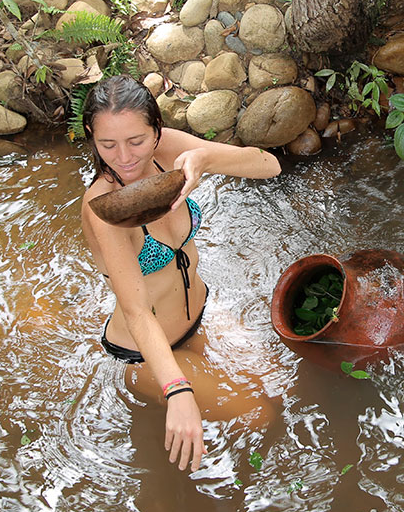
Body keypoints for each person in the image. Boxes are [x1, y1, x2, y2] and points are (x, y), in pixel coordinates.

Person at [79, 75, 281, 473]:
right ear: (91, 135)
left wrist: (205, 158)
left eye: (136, 141)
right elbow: (136, 310)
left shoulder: (167, 148)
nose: (124, 157)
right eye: (107, 145)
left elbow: (268, 165)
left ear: (156, 129)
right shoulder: (104, 207)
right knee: (260, 416)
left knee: (282, 387)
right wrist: (177, 389)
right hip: (146, 354)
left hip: (200, 318)